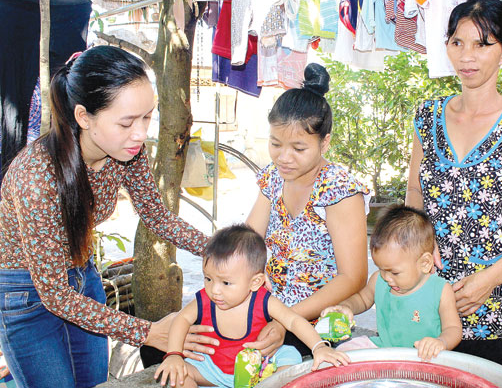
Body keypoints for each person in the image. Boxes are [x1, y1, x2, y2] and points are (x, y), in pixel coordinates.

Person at [0, 46, 275, 388]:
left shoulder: (127, 151)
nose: (141, 133)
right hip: (28, 293)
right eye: (127, 122)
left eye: (147, 117)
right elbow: (54, 294)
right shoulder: (36, 178)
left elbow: (158, 218)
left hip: (82, 279)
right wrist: (148, 332)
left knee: (92, 383)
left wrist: (228, 255)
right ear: (84, 117)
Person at [406, 0, 502, 374]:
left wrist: (490, 278)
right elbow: (414, 194)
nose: (466, 56)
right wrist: (417, 242)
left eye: (482, 44)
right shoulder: (427, 116)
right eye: (457, 42)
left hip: (498, 309)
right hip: (427, 303)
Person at [246, 63, 369, 355]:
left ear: (324, 143)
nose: (284, 157)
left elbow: (353, 278)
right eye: (275, 144)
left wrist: (287, 320)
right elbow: (246, 245)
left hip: (316, 324)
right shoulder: (273, 177)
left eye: (299, 149)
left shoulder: (338, 189)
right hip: (270, 310)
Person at [154, 224, 350, 387]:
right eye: (208, 278)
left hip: (261, 370)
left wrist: (319, 347)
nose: (214, 290)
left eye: (226, 282)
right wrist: (174, 354)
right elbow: (181, 319)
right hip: (212, 368)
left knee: (290, 357)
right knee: (178, 375)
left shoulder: (263, 300)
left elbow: (294, 321)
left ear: (255, 282)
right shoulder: (204, 299)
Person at [322, 205, 462, 361]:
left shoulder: (440, 290)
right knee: (344, 351)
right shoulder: (379, 280)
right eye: (381, 268)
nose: (387, 277)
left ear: (425, 263)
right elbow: (362, 299)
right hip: (385, 347)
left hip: (425, 355)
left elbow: (453, 328)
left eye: (394, 272)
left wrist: (440, 342)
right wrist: (346, 307)